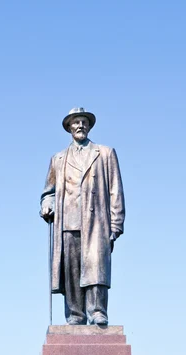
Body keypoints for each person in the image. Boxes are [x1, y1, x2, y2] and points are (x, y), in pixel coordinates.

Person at [40, 107, 125, 325]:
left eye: (84, 122)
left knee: (96, 266)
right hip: (68, 221)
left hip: (96, 222)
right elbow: (48, 192)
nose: (80, 126)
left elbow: (115, 189)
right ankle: (75, 315)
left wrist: (116, 224)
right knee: (72, 270)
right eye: (76, 122)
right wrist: (47, 205)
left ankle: (97, 311)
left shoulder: (105, 154)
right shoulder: (58, 159)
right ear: (69, 128)